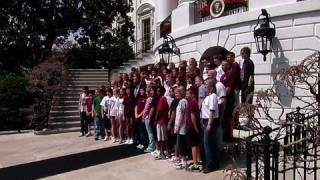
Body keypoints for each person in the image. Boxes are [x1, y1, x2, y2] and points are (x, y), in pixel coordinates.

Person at [201, 79, 220, 173]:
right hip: (206, 121)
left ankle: (210, 165)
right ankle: (215, 163)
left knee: (207, 144)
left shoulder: (212, 96)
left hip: (210, 121)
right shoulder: (209, 96)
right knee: (211, 144)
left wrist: (209, 124)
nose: (205, 86)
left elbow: (212, 111)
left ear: (212, 87)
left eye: (206, 85)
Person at [186, 89, 202, 172]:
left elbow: (193, 116)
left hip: (193, 127)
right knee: (198, 144)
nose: (186, 96)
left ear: (192, 94)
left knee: (194, 146)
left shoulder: (191, 103)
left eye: (188, 94)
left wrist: (195, 128)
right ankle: (199, 160)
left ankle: (195, 163)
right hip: (196, 127)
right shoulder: (195, 103)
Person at [174, 86, 189, 170]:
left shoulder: (183, 101)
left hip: (182, 127)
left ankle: (184, 161)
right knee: (180, 143)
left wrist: (178, 126)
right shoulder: (181, 101)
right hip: (180, 126)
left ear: (182, 93)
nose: (176, 94)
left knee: (181, 144)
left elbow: (182, 115)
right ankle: (181, 159)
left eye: (178, 93)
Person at [154, 86, 169, 160]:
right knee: (162, 138)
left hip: (161, 121)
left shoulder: (162, 99)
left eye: (159, 91)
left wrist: (155, 119)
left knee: (161, 138)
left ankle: (162, 153)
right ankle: (163, 152)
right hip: (163, 121)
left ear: (163, 91)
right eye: (157, 91)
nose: (157, 92)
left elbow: (159, 111)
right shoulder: (163, 99)